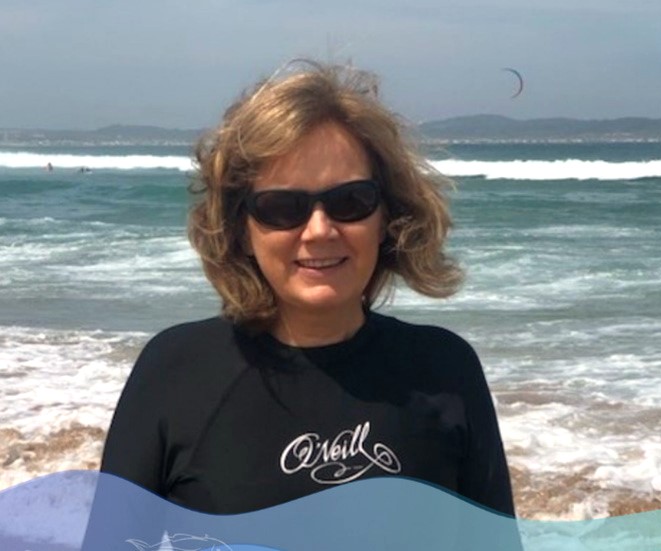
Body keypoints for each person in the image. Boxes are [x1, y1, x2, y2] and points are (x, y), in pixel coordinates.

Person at [99, 61, 516, 520]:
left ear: (387, 217)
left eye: (349, 202)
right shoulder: (174, 370)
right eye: (282, 207)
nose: (319, 230)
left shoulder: (445, 370)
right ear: (240, 229)